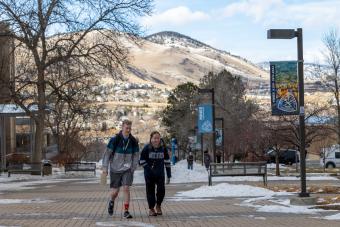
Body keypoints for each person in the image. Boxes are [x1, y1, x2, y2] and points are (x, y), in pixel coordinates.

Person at [102, 120, 139, 218]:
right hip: (115, 169)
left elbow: (136, 155)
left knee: (126, 188)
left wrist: (133, 167)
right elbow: (107, 155)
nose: (128, 130)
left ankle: (126, 211)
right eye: (126, 128)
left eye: (130, 128)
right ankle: (111, 201)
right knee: (115, 192)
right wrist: (105, 168)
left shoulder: (133, 141)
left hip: (127, 169)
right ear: (122, 127)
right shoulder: (115, 140)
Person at [139, 131, 171, 216]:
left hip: (160, 174)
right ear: (151, 139)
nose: (156, 140)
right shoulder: (147, 148)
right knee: (150, 192)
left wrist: (169, 175)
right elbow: (141, 160)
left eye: (158, 138)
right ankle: (151, 208)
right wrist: (148, 169)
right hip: (149, 175)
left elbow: (167, 161)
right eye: (154, 138)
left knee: (161, 191)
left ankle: (158, 205)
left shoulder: (163, 148)